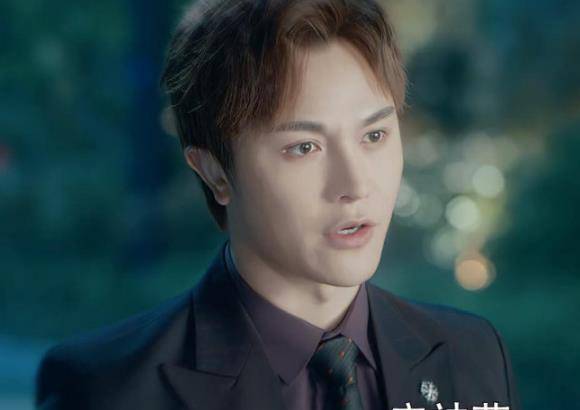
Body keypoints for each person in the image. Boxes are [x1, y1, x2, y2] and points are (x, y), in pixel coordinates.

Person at [35, 0, 521, 409]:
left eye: (374, 135)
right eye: (304, 147)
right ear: (214, 172)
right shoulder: (106, 389)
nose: (355, 185)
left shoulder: (472, 355)